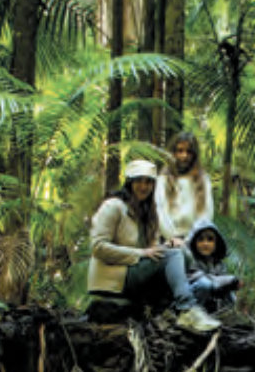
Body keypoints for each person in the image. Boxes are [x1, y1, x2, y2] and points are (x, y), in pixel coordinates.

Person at [88, 160, 220, 332]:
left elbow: (153, 250)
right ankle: (187, 309)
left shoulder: (148, 212)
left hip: (135, 272)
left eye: (148, 182)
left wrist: (167, 244)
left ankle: (170, 310)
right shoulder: (114, 206)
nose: (144, 186)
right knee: (172, 255)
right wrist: (142, 253)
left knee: (181, 253)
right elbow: (98, 247)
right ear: (130, 182)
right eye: (139, 180)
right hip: (116, 277)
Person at [157, 130, 213, 245]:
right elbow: (161, 211)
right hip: (169, 240)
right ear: (173, 153)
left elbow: (206, 213)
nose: (184, 156)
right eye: (180, 151)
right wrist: (172, 238)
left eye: (189, 152)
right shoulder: (164, 178)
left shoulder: (202, 179)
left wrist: (191, 239)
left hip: (195, 240)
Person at [183, 218, 242, 312]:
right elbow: (199, 278)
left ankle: (228, 315)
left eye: (210, 239)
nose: (205, 244)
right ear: (194, 243)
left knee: (229, 292)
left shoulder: (219, 264)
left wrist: (231, 284)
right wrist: (228, 280)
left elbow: (220, 285)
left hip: (209, 304)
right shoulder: (188, 259)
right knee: (205, 284)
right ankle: (191, 316)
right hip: (189, 302)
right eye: (200, 239)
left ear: (216, 243)